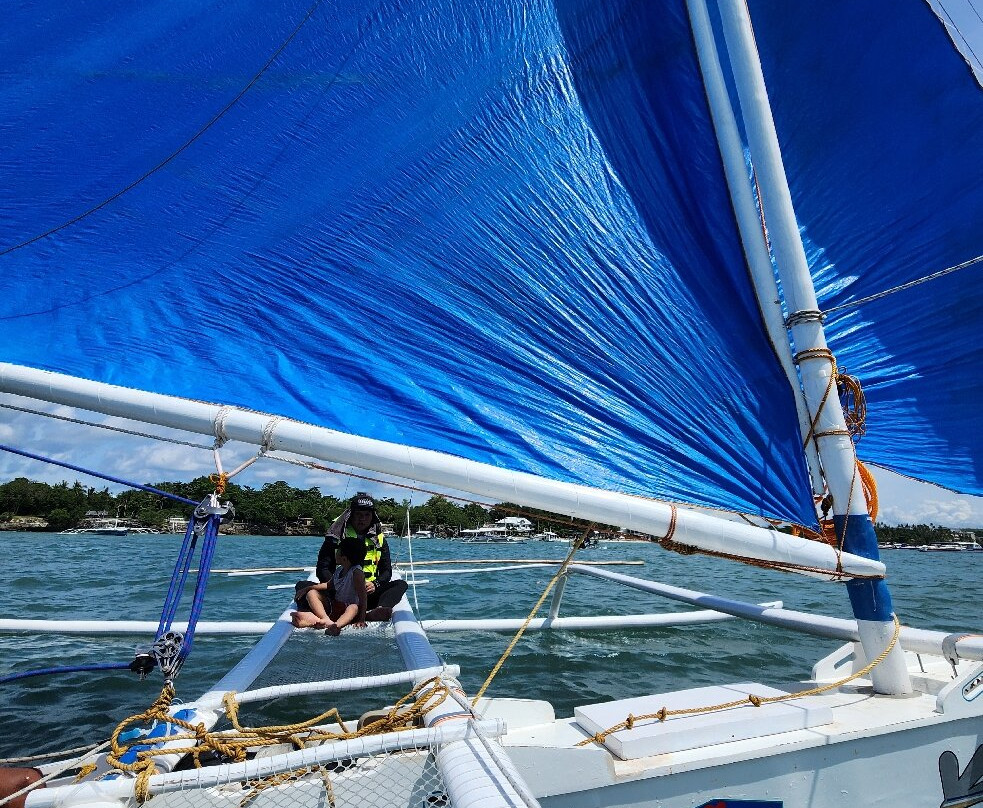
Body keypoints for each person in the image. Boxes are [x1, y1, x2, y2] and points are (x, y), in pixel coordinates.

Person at [316, 492, 408, 621]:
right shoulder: (336, 536)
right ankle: (351, 613)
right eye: (358, 514)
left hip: (367, 593)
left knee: (400, 584)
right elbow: (322, 568)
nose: (362, 519)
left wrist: (375, 584)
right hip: (339, 594)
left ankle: (379, 610)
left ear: (372, 516)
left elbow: (387, 571)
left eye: (367, 515)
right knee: (303, 586)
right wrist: (339, 586)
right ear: (351, 515)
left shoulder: (379, 539)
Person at [291, 535, 367, 634]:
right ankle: (326, 620)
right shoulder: (340, 569)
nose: (335, 553)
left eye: (338, 551)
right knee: (312, 593)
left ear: (344, 558)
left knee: (353, 607)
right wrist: (307, 588)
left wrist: (361, 619)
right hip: (336, 605)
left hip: (349, 610)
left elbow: (363, 598)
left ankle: (336, 626)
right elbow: (328, 585)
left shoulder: (356, 573)